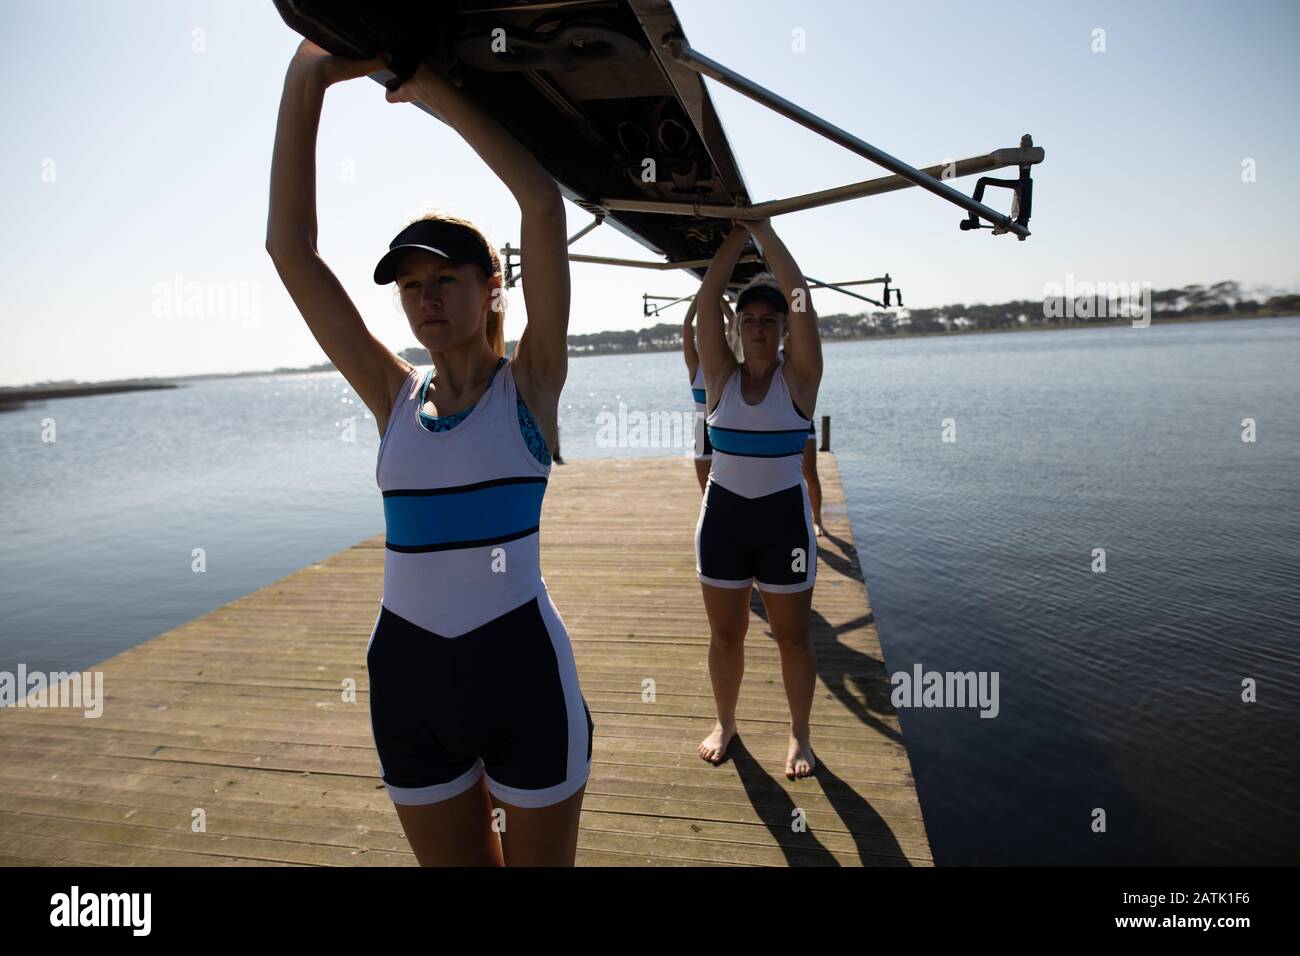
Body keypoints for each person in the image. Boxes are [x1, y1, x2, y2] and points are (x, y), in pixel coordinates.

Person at [266, 40, 592, 865]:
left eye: (445, 277)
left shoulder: (532, 390)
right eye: (410, 284)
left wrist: (436, 93)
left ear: (492, 290)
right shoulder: (392, 396)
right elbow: (290, 253)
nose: (426, 298)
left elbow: (541, 204)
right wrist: (308, 75)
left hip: (525, 683)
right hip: (408, 688)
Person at [692, 220, 824, 779]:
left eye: (769, 321)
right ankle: (726, 722)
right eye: (748, 321)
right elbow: (704, 308)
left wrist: (763, 232)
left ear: (783, 330)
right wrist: (733, 235)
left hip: (783, 528)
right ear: (738, 330)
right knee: (726, 635)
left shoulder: (800, 380)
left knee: (793, 636)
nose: (758, 328)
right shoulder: (718, 375)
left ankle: (799, 734)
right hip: (722, 522)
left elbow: (804, 303)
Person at [682, 294, 737, 492]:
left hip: (726, 427)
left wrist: (716, 295)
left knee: (732, 491)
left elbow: (733, 322)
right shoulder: (694, 367)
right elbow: (687, 325)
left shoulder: (728, 365)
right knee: (706, 494)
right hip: (701, 428)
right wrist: (701, 297)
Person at [781, 330, 825, 537]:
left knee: (810, 472)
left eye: (793, 335)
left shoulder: (804, 360)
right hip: (778, 427)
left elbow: (811, 322)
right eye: (787, 335)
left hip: (803, 423)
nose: (791, 338)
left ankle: (817, 521)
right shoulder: (774, 359)